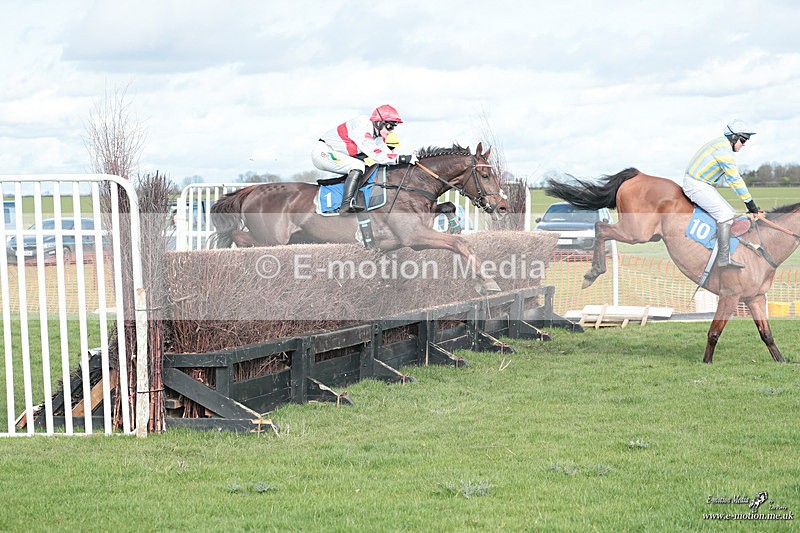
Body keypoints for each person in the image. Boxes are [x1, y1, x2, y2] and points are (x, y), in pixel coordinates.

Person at [312, 105, 417, 214]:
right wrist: (403, 158)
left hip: (338, 154)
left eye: (393, 127)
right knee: (357, 165)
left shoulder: (378, 136)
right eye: (390, 127)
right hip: (323, 152)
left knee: (368, 168)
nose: (391, 131)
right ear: (378, 123)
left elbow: (387, 155)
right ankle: (346, 205)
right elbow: (378, 156)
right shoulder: (363, 125)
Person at [683, 119, 760, 268]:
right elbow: (735, 180)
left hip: (702, 183)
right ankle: (724, 258)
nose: (744, 144)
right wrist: (751, 205)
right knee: (725, 215)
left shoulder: (721, 145)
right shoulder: (724, 152)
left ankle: (719, 245)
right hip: (696, 184)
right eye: (743, 140)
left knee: (730, 213)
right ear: (733, 137)